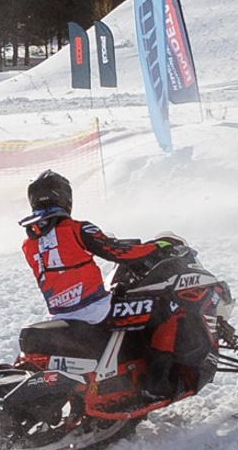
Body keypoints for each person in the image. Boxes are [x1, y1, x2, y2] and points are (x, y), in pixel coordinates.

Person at [15, 169, 179, 400]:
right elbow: (119, 252)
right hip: (97, 310)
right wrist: (157, 247)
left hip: (63, 315)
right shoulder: (76, 228)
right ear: (64, 197)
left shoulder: (28, 243)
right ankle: (156, 383)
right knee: (168, 309)